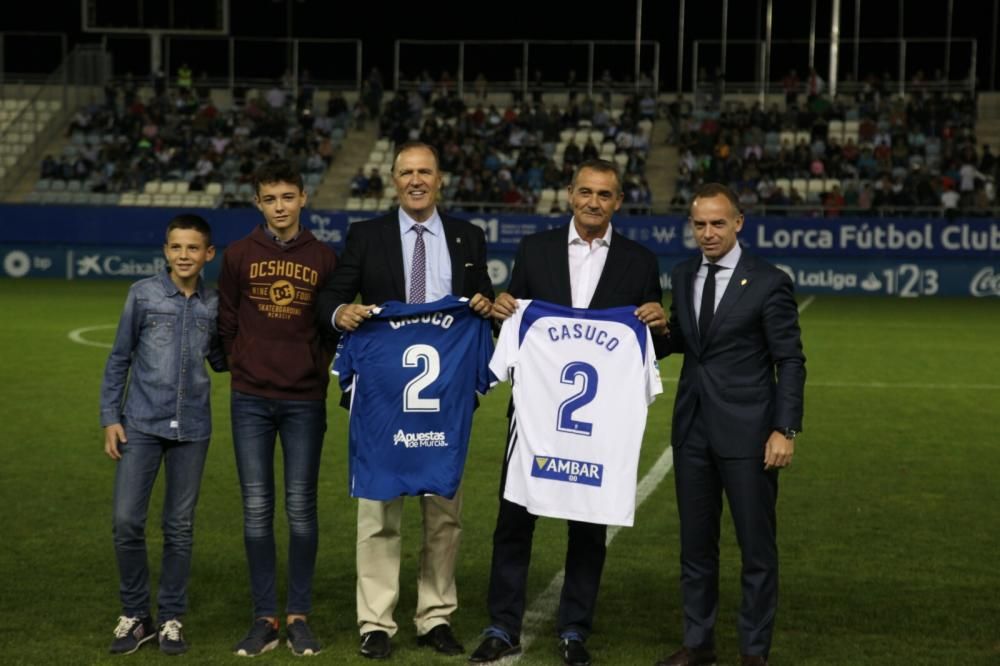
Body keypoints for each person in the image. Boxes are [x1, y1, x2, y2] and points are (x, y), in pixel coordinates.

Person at [470, 158, 668, 666]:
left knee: (589, 523)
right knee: (515, 516)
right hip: (535, 416)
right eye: (585, 192)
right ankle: (501, 625)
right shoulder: (535, 249)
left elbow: (647, 348)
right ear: (569, 194)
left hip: (599, 422)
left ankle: (574, 630)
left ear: (618, 202)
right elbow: (518, 328)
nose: (593, 202)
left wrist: (658, 323)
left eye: (604, 194)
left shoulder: (641, 261)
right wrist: (503, 313)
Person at [315, 141, 494, 660]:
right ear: (392, 180)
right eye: (406, 172)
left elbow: (479, 300)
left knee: (444, 513)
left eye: (425, 172)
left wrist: (484, 303)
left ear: (440, 179)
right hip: (382, 403)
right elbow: (331, 295)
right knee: (379, 512)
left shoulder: (468, 237)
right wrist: (339, 315)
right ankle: (376, 621)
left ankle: (435, 616)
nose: (416, 180)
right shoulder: (366, 237)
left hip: (444, 401)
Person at [655, 183, 805, 666]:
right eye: (699, 224)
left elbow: (791, 360)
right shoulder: (682, 275)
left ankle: (753, 653)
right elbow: (683, 340)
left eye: (718, 223)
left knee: (756, 551)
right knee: (695, 548)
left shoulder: (768, 281)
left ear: (739, 223)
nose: (708, 233)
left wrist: (786, 429)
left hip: (750, 434)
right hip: (692, 429)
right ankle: (698, 645)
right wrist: (655, 327)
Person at [218, 160, 339, 658]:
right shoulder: (239, 254)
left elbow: (331, 327)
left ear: (303, 199)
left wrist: (312, 366)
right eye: (271, 199)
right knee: (256, 510)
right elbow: (227, 318)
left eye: (288, 197)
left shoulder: (324, 258)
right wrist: (243, 364)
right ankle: (265, 616)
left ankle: (299, 616)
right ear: (259, 204)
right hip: (250, 399)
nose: (280, 207)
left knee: (301, 511)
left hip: (303, 400)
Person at [100, 214, 226, 656]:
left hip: (193, 429)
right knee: (126, 522)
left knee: (180, 527)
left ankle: (171, 617)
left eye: (194, 248)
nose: (184, 255)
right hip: (141, 424)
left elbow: (221, 357)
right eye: (176, 247)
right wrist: (109, 417)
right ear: (165, 250)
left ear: (209, 254)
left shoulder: (215, 303)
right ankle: (136, 615)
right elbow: (119, 358)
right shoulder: (143, 295)